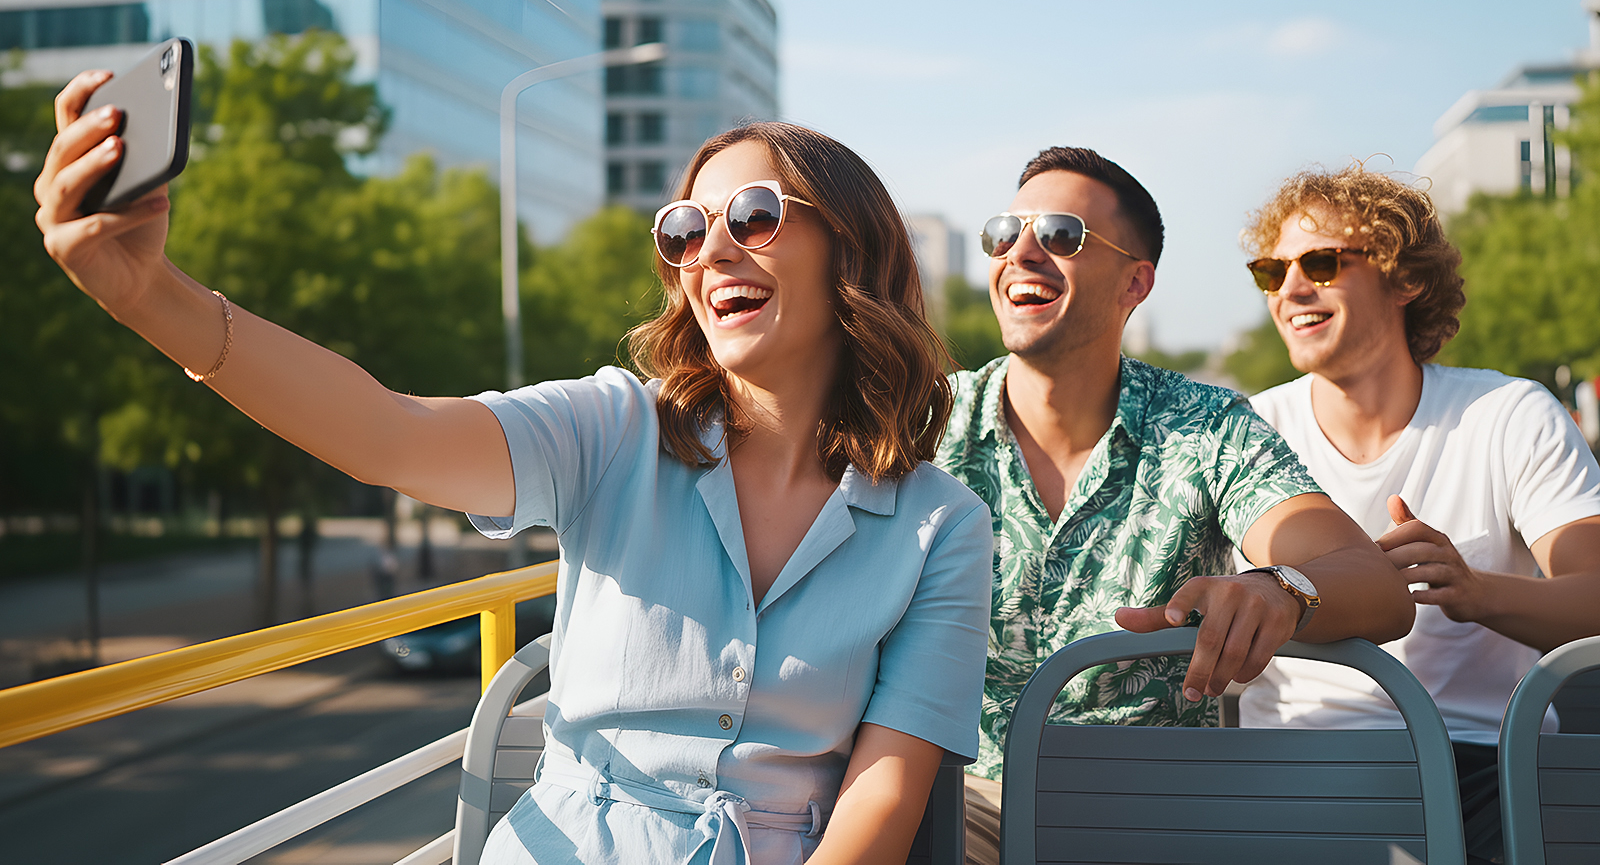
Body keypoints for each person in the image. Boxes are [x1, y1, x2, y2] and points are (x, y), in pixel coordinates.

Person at [33, 73, 994, 865]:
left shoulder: (942, 529)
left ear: (851, 245)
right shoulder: (612, 428)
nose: (712, 253)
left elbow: (883, 796)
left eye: (753, 215)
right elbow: (388, 435)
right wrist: (151, 296)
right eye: (683, 232)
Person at [932, 146, 1416, 865]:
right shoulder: (922, 423)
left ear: (1136, 281)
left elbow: (1375, 586)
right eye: (1005, 234)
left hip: (1150, 811)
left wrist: (1279, 590)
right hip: (956, 806)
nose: (1022, 254)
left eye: (1062, 235)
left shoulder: (1206, 426)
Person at [1236, 165, 1600, 865]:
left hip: (1481, 765)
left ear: (1406, 279)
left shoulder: (1509, 415)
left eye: (1319, 263)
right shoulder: (1249, 429)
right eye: (1270, 272)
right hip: (1289, 765)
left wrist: (1477, 593)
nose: (1290, 290)